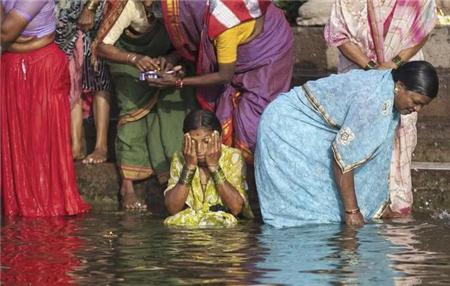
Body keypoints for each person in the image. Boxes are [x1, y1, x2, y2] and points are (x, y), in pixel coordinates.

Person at [255, 61, 439, 228]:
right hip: (285, 125)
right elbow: (343, 159)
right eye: (416, 102)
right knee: (309, 213)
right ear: (400, 86)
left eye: (423, 105)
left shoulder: (390, 89)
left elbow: (377, 152)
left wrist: (377, 207)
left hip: (315, 124)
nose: (417, 110)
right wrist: (352, 212)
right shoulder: (373, 100)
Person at [324, 0, 437, 214]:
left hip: (404, 73)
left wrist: (394, 64)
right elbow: (339, 34)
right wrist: (371, 67)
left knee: (400, 137)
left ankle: (397, 206)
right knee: (357, 139)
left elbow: (422, 28)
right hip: (358, 77)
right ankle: (360, 206)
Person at [92, 0, 198, 209]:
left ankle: (175, 176)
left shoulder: (178, 6)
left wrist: (169, 58)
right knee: (132, 109)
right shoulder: (127, 5)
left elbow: (187, 43)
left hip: (162, 62)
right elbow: (102, 47)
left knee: (175, 102)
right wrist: (134, 59)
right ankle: (127, 187)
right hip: (126, 59)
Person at [1, 0, 91, 216]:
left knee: (41, 144)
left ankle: (45, 211)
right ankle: (19, 207)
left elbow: (6, 32)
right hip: (11, 66)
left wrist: (9, 40)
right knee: (14, 140)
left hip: (43, 67)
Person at [164, 110, 253, 226]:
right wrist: (189, 167)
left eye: (206, 141)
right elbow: (172, 209)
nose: (199, 149)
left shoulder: (233, 157)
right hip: (189, 231)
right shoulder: (180, 158)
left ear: (219, 138)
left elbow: (236, 207)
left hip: (224, 231)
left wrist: (214, 167)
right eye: (193, 142)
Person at [55, 0, 111, 164]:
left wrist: (90, 7)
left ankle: (101, 146)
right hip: (62, 17)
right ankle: (76, 145)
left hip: (92, 14)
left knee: (99, 75)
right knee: (71, 77)